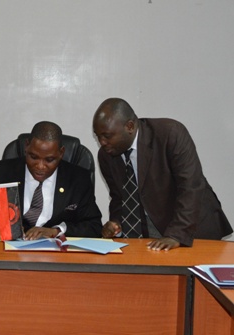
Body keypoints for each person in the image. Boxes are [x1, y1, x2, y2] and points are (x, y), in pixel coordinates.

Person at [93, 97, 232, 251]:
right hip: (148, 235)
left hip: (192, 229)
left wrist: (177, 235)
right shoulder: (106, 156)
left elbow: (191, 187)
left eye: (106, 136)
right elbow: (120, 197)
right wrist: (116, 223)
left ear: (130, 126)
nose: (102, 142)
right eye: (98, 136)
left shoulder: (170, 134)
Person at [0, 121, 102, 240]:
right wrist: (12, 229)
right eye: (33, 157)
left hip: (58, 258)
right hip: (11, 253)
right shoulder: (2, 172)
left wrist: (56, 231)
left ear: (61, 153)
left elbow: (94, 226)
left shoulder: (78, 179)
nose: (40, 166)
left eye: (49, 160)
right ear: (26, 147)